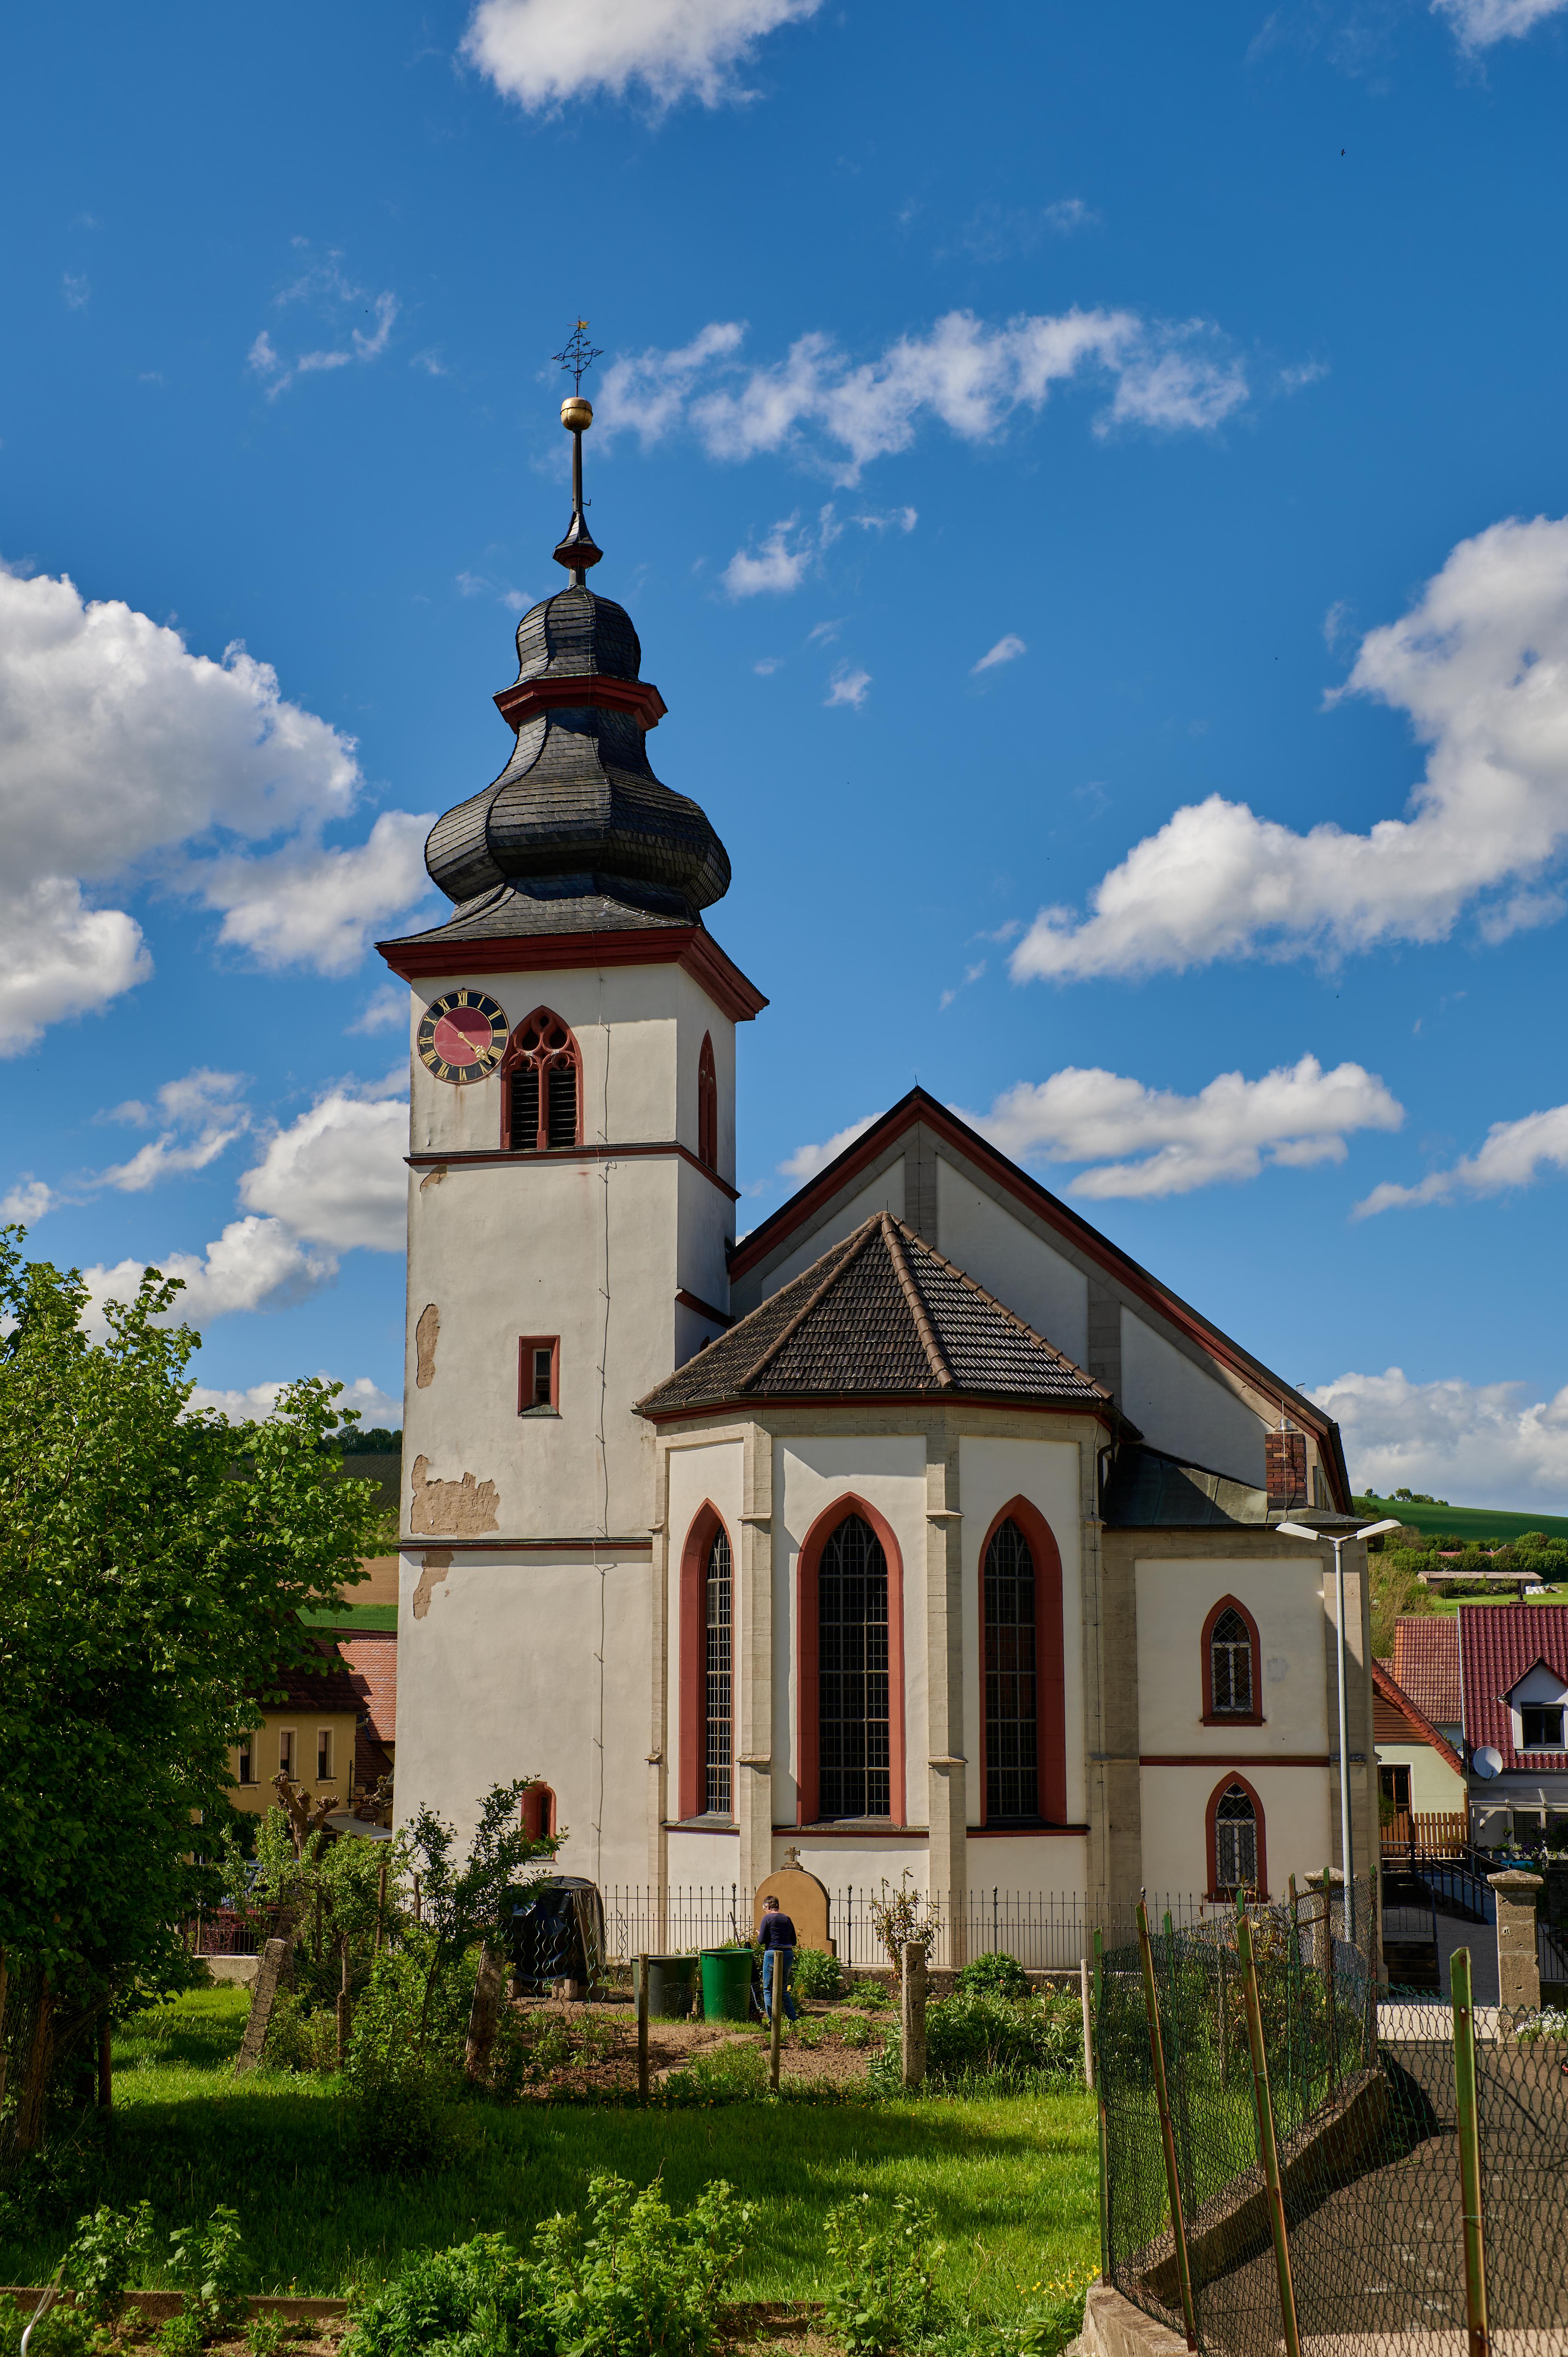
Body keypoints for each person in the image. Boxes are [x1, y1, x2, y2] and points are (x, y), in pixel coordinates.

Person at [757, 1892, 800, 2023]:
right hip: (788, 1954)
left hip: (772, 1954)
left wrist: (759, 1935)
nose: (765, 1912)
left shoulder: (767, 1919)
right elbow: (794, 1942)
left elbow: (761, 1941)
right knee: (783, 1989)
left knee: (768, 1989)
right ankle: (794, 2020)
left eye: (765, 1910)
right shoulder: (787, 1919)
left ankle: (774, 2021)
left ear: (768, 1907)